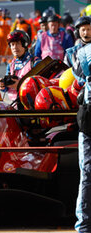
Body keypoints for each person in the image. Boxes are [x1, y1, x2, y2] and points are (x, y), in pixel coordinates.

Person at [71, 40, 91, 233]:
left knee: (86, 174)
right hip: (88, 119)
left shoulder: (83, 53)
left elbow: (77, 79)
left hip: (87, 118)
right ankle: (83, 225)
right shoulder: (83, 52)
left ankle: (83, 226)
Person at [0, 30, 41, 101]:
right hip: (14, 105)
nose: (15, 47)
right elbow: (7, 88)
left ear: (25, 44)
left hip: (30, 105)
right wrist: (2, 86)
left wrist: (20, 85)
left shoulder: (35, 63)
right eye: (12, 44)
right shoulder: (11, 65)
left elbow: (40, 87)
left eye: (18, 43)